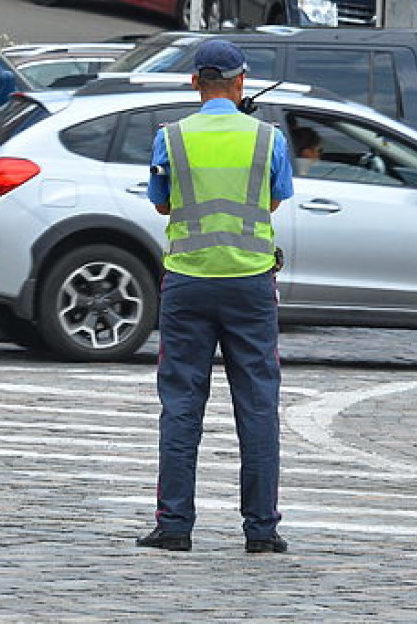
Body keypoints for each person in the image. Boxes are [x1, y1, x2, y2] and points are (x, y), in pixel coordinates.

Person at [138, 39, 293, 555]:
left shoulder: (171, 138)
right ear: (241, 82)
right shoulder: (267, 138)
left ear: (194, 83)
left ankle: (175, 526)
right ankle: (262, 531)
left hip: (187, 280)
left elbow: (162, 207)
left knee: (181, 405)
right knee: (258, 406)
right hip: (250, 284)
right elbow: (271, 200)